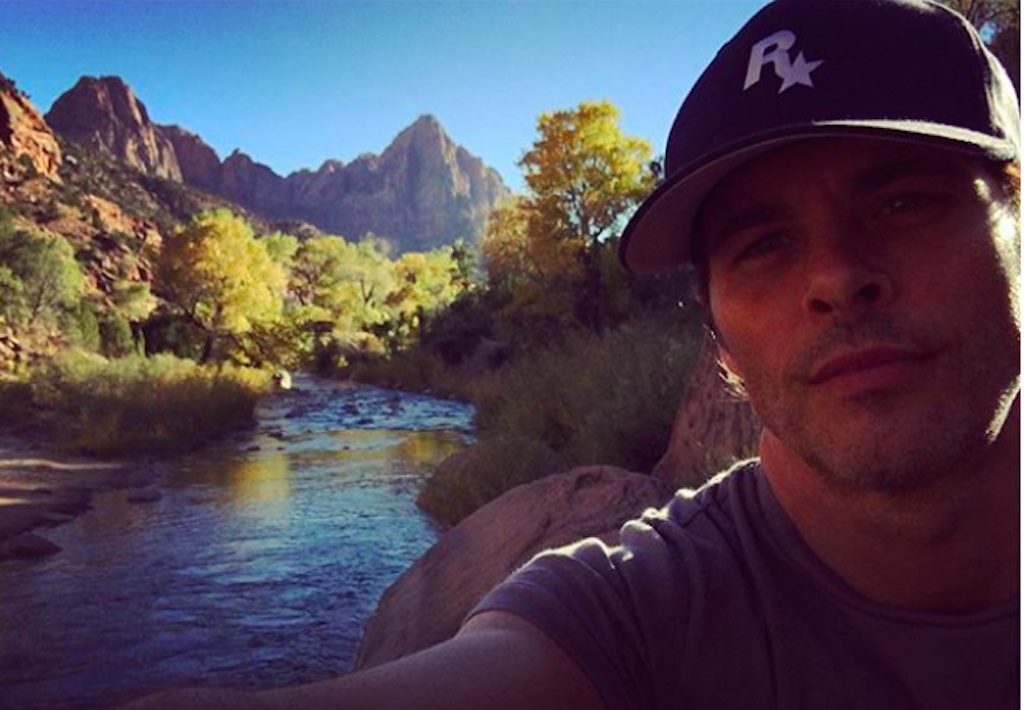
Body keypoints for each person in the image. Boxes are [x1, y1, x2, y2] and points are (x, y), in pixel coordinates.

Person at [126, 0, 1019, 708]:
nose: (836, 276)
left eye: (904, 201)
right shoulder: (629, 610)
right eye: (764, 245)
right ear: (719, 340)